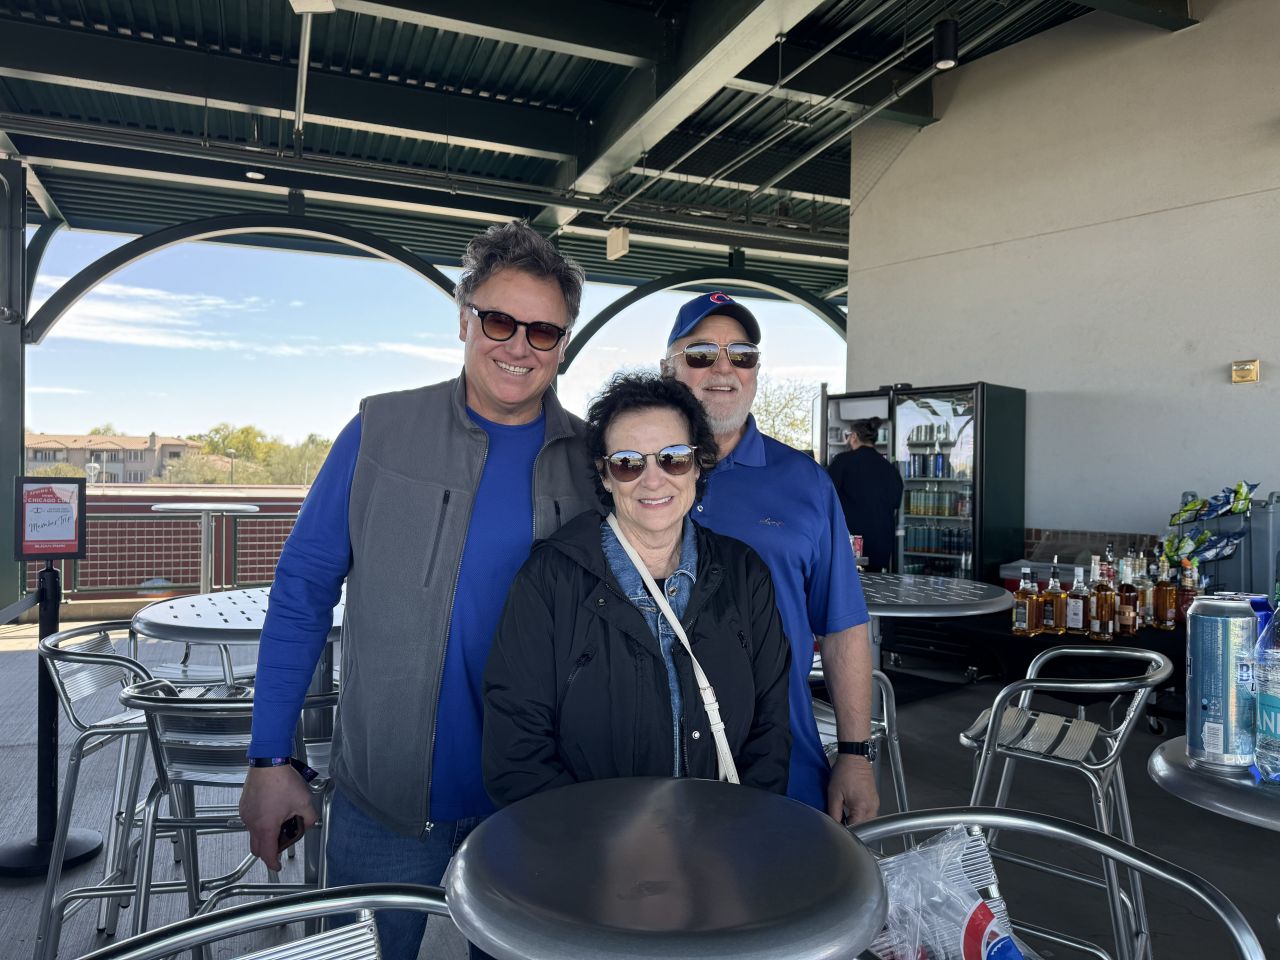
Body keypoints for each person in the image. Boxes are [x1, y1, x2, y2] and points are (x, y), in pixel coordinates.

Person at [238, 221, 600, 960]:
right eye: (500, 321)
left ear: (564, 344)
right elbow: (303, 590)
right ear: (465, 319)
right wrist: (271, 758)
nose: (518, 346)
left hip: (537, 804)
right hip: (386, 803)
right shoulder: (378, 431)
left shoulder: (591, 461)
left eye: (543, 331)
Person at [482, 373, 791, 805]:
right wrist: (602, 853)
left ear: (698, 464)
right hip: (592, 858)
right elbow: (517, 750)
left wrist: (737, 835)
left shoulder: (745, 575)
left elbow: (771, 729)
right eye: (628, 462)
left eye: (673, 458)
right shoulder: (550, 579)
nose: (653, 479)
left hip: (723, 851)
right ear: (605, 476)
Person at [660, 292, 879, 824]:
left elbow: (843, 625)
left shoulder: (805, 482)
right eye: (701, 354)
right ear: (668, 368)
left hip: (781, 764)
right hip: (645, 767)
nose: (723, 369)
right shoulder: (631, 474)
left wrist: (854, 753)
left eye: (742, 355)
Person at [828, 417, 904, 572]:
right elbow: (896, 502)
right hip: (881, 544)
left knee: (849, 590)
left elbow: (825, 495)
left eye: (848, 435)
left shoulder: (843, 462)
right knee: (874, 590)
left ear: (854, 436)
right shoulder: (889, 469)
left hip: (852, 544)